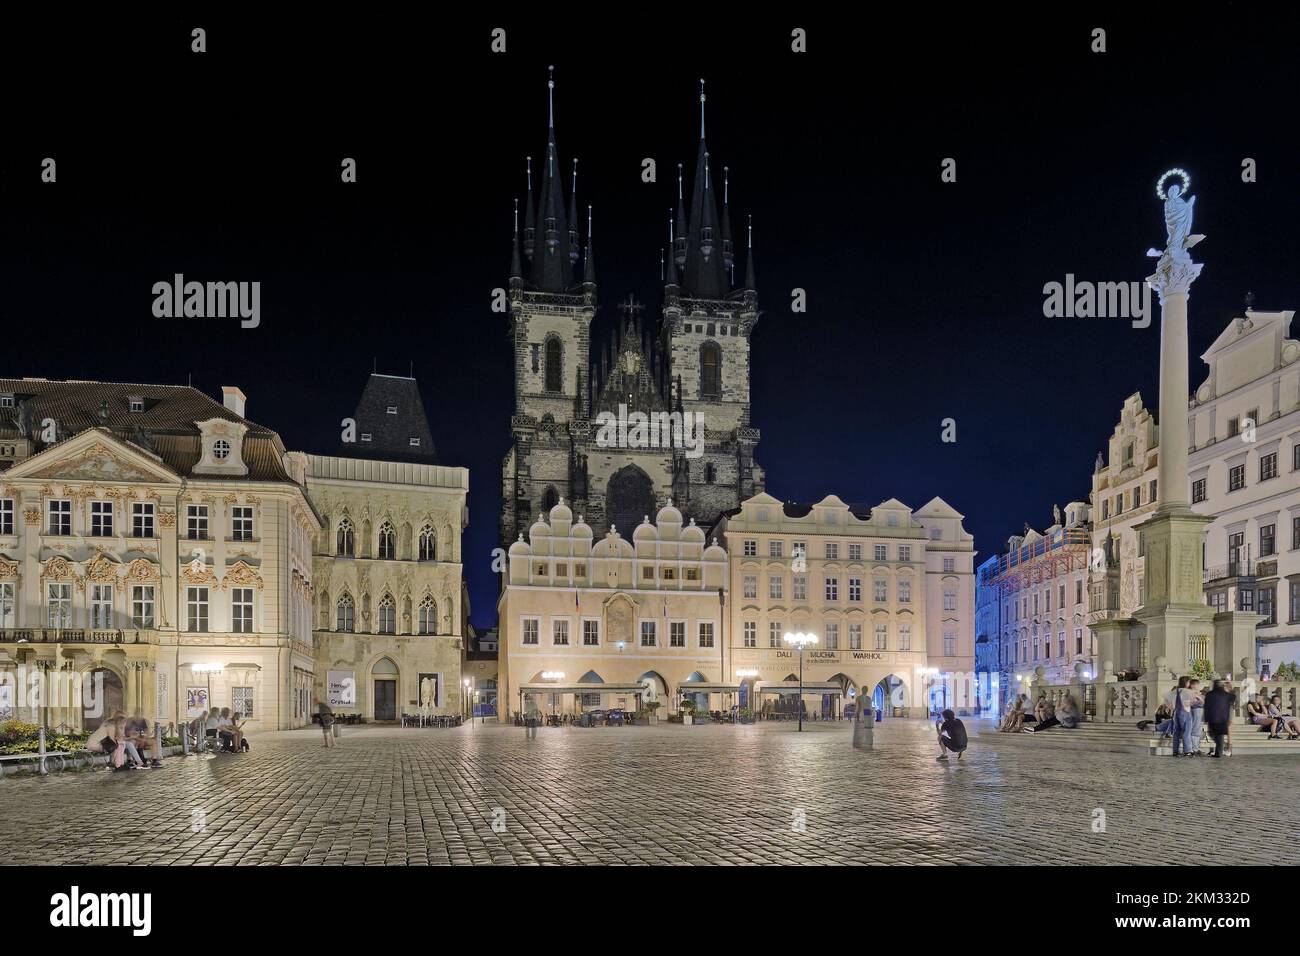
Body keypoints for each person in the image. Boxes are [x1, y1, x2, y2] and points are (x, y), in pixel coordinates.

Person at [1203, 679, 1237, 758]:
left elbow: (1206, 707)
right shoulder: (1226, 695)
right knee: (1219, 735)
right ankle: (1221, 749)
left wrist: (1206, 718)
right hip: (1223, 718)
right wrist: (1230, 688)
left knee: (1213, 734)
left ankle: (1219, 753)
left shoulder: (1209, 694)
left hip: (1212, 717)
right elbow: (1233, 698)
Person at [1169, 677, 1192, 756]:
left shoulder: (1174, 691)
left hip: (1176, 713)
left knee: (1176, 732)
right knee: (1186, 731)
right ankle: (1187, 750)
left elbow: (1170, 704)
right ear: (1186, 683)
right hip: (1186, 712)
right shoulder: (1188, 691)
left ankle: (1175, 750)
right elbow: (1192, 702)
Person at [1184, 679, 1205, 756]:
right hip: (1195, 712)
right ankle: (1194, 749)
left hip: (1199, 712)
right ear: (1193, 685)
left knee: (1197, 731)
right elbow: (1194, 703)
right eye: (1198, 685)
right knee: (1195, 731)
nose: (1199, 687)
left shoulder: (1197, 693)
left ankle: (1195, 748)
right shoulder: (1189, 693)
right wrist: (1201, 701)